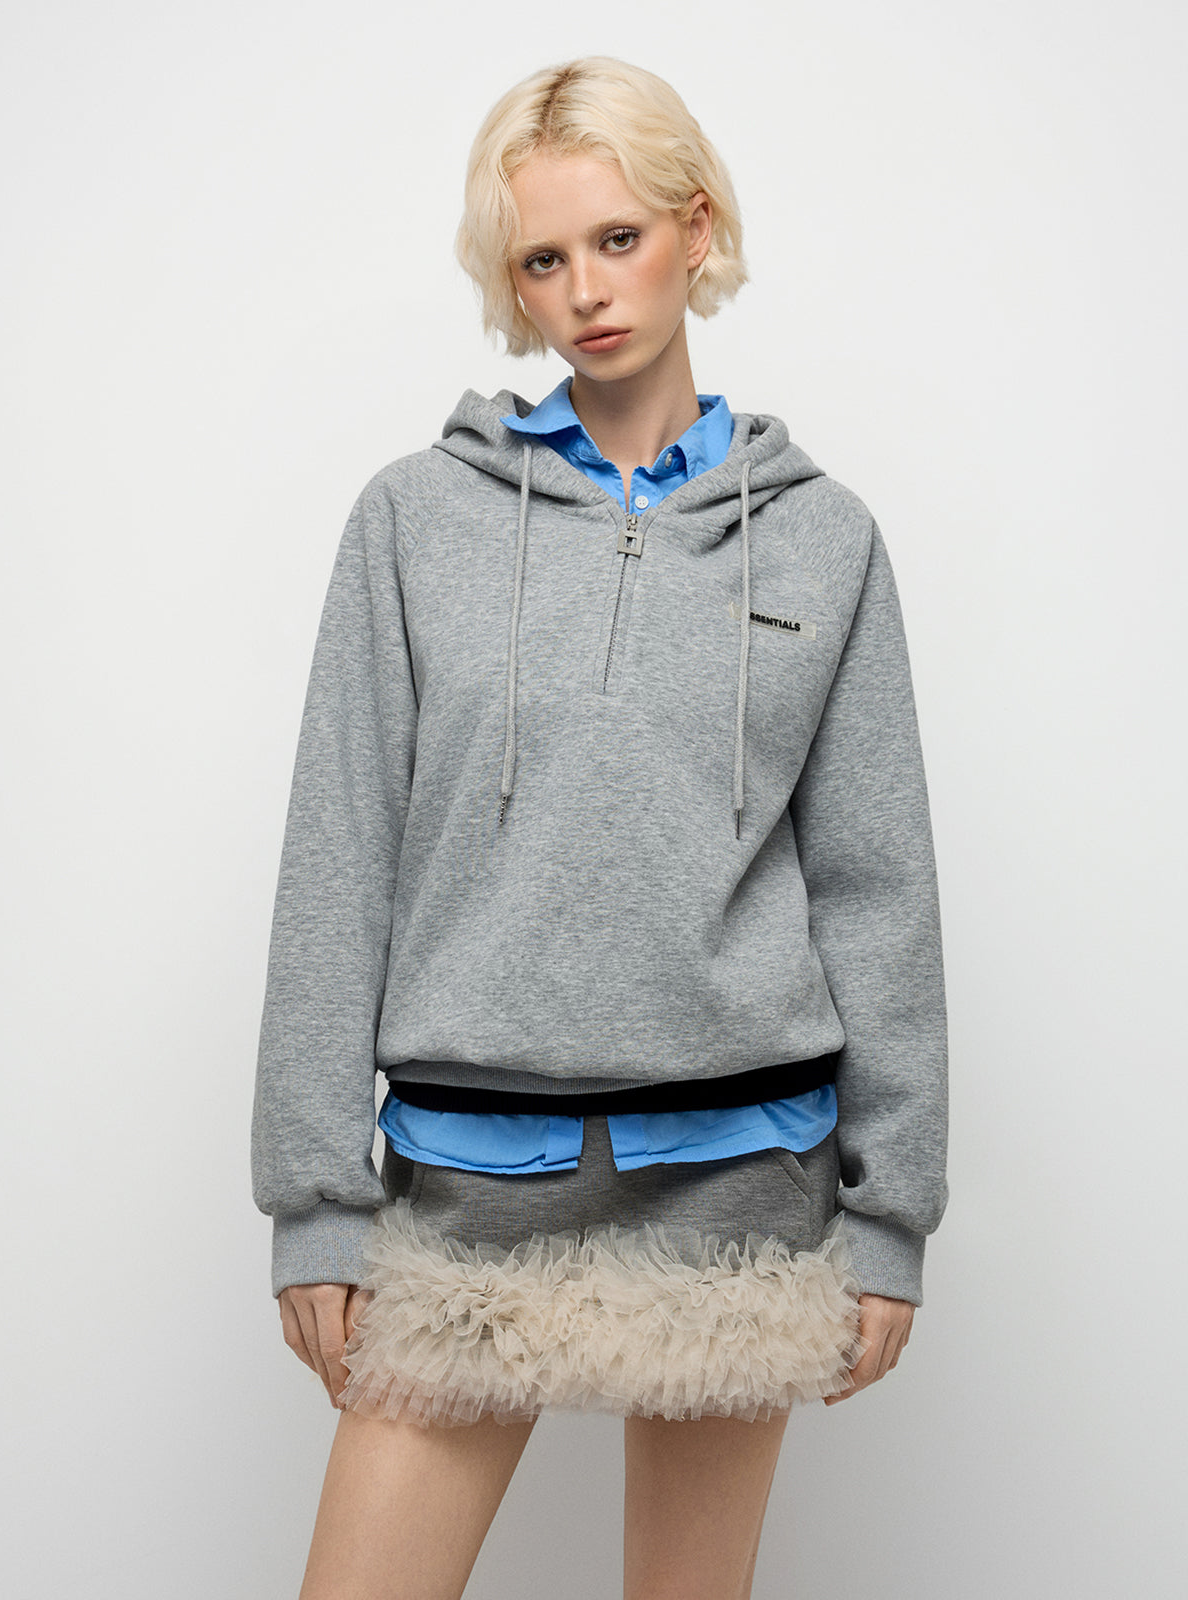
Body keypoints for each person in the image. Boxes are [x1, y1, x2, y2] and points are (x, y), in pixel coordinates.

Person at [251, 55, 949, 1600]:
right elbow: (339, 858)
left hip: (741, 1170)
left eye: (619, 239)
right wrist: (313, 1202)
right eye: (542, 259)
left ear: (697, 229)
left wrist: (893, 1212)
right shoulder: (414, 522)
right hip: (466, 1170)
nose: (584, 291)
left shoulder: (823, 539)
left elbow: (876, 889)